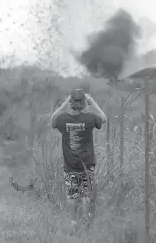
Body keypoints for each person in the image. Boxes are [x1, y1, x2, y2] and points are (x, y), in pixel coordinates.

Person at [51, 88, 107, 228]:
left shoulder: (62, 120)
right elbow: (104, 118)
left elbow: (52, 120)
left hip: (70, 165)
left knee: (72, 194)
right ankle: (86, 221)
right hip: (87, 164)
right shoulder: (90, 118)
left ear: (71, 102)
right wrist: (92, 102)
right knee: (86, 193)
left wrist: (64, 103)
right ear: (84, 103)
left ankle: (73, 222)